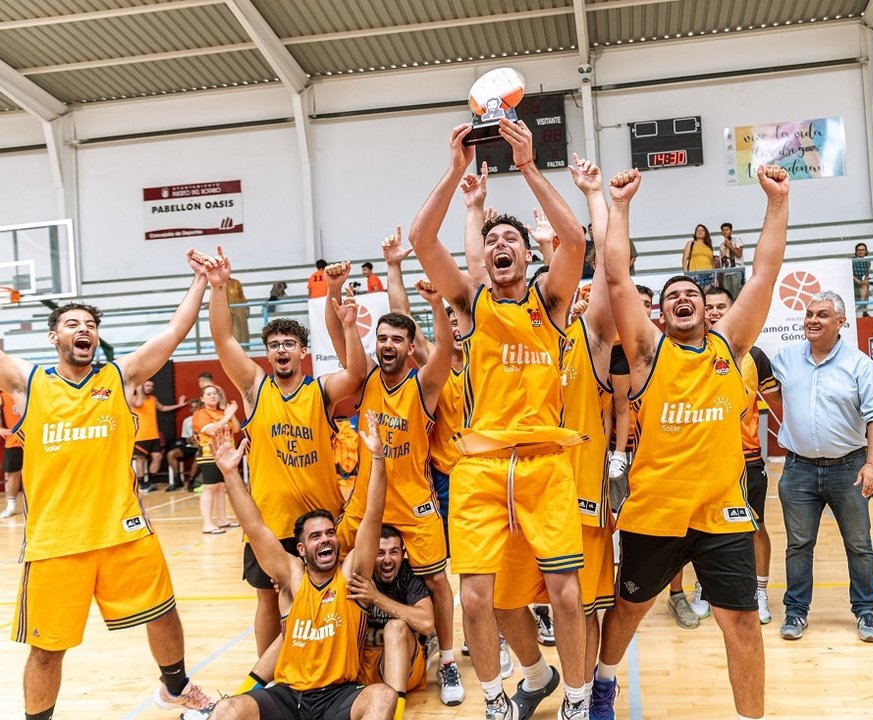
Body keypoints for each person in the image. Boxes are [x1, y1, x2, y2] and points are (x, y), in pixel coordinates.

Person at [593, 163, 789, 720]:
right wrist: (621, 205)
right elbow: (616, 277)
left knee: (742, 621)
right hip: (655, 511)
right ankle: (604, 685)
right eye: (672, 295)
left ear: (708, 310)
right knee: (630, 608)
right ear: (660, 314)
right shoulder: (650, 354)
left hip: (720, 512)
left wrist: (776, 203)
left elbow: (764, 273)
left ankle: (751, 716)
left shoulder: (732, 348)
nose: (682, 298)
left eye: (692, 295)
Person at [410, 120, 589, 720]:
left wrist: (531, 167)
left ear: (523, 253)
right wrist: (457, 167)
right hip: (481, 468)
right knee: (477, 598)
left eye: (511, 237)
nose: (501, 244)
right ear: (485, 257)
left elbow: (575, 241)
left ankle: (578, 702)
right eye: (493, 240)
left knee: (566, 594)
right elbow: (420, 237)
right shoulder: (469, 304)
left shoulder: (552, 302)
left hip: (545, 464)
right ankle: (497, 699)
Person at [3, 249, 219, 718]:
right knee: (46, 650)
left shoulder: (118, 378)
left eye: (90, 325)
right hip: (56, 539)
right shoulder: (28, 381)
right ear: (53, 335)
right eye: (73, 324)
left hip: (122, 527)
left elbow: (172, 334)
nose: (84, 330)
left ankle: (176, 688)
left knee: (163, 611)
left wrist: (202, 282)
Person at [487, 154, 618, 720]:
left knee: (580, 607)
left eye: (557, 288)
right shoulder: (510, 338)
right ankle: (537, 677)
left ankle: (582, 697)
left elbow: (609, 274)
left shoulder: (586, 340)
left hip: (577, 490)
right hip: (517, 485)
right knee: (499, 597)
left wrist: (594, 200)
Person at [207, 247, 368, 657]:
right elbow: (224, 338)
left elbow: (356, 374)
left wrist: (339, 304)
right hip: (268, 519)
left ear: (302, 352)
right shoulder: (254, 388)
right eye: (275, 344)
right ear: (267, 352)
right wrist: (218, 286)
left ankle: (335, 663)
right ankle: (269, 676)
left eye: (290, 343)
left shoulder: (320, 390)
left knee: (336, 595)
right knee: (266, 600)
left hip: (321, 518)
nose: (281, 350)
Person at [205, 415, 397, 720]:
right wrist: (229, 473)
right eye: (316, 536)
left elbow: (372, 517)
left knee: (382, 696)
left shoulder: (350, 577)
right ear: (301, 548)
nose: (326, 539)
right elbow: (255, 527)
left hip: (338, 695)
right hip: (287, 696)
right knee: (227, 708)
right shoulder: (293, 578)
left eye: (330, 533)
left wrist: (377, 457)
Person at [329, 266, 461, 707]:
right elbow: (338, 334)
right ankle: (335, 657)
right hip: (366, 503)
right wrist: (336, 301)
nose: (387, 344)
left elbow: (443, 348)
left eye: (396, 339)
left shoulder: (422, 385)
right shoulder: (364, 378)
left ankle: (447, 661)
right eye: (382, 337)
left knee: (439, 583)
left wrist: (437, 304)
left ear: (408, 348)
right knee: (335, 576)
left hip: (414, 504)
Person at [772, 291, 873, 643]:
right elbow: (772, 391)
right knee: (798, 545)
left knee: (858, 544)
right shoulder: (785, 359)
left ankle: (866, 611)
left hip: (848, 468)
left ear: (841, 322)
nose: (812, 320)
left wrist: (872, 464)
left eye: (822, 315)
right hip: (798, 470)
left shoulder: (859, 365)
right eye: (808, 313)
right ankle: (795, 612)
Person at [707, 287, 781, 625]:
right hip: (702, 459)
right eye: (708, 307)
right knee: (702, 529)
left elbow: (780, 399)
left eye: (720, 306)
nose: (712, 312)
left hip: (746, 457)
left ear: (733, 309)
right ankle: (706, 590)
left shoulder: (755, 355)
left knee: (755, 526)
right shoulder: (681, 352)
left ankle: (759, 591)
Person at [346, 525, 435, 710]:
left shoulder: (407, 576)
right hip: (360, 669)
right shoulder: (360, 574)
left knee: (396, 628)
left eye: (393, 552)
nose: (387, 560)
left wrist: (375, 597)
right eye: (380, 553)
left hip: (402, 668)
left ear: (402, 553)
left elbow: (426, 623)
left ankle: (396, 712)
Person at [192, 385, 240, 534]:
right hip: (209, 454)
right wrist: (227, 415)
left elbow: (236, 429)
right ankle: (207, 524)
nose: (213, 396)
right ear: (202, 398)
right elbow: (212, 430)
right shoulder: (200, 414)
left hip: (225, 455)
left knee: (220, 487)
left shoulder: (222, 412)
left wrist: (231, 414)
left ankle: (222, 520)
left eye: (215, 393)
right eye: (209, 394)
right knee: (210, 488)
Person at [131, 379, 187, 492]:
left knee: (157, 457)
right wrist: (138, 387)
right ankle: (141, 484)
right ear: (141, 386)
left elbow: (162, 408)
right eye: (147, 385)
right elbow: (139, 403)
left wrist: (179, 405)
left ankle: (149, 482)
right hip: (140, 436)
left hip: (154, 435)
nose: (150, 387)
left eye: (152, 386)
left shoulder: (153, 398)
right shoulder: (134, 398)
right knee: (140, 459)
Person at [166, 397, 203, 492]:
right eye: (192, 408)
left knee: (198, 455)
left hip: (201, 446)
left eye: (196, 407)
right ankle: (177, 479)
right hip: (190, 446)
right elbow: (184, 438)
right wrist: (189, 439)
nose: (194, 410)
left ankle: (191, 480)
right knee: (171, 454)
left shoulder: (204, 419)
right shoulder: (187, 421)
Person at [0, 389, 23, 518]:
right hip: (13, 440)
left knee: (35, 473)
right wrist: (1, 430)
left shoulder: (28, 392)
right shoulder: (3, 396)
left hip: (33, 440)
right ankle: (11, 505)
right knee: (13, 473)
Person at [682, 223, 717, 290]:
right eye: (698, 230)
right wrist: (686, 274)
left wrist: (715, 277)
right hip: (695, 274)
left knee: (707, 295)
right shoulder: (691, 243)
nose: (700, 232)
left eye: (702, 230)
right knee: (697, 293)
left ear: (705, 233)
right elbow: (684, 259)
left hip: (708, 274)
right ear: (695, 233)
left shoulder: (708, 246)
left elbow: (712, 263)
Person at [718, 222, 745, 296]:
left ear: (731, 231)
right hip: (727, 272)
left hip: (736, 271)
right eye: (723, 230)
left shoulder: (737, 240)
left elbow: (739, 254)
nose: (725, 231)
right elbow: (722, 262)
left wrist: (729, 245)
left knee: (737, 294)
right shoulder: (721, 246)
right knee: (729, 295)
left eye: (727, 229)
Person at [227, 275, 251, 344]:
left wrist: (247, 307)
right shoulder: (218, 284)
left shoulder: (236, 282)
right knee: (233, 331)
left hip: (239, 308)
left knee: (242, 330)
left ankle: (243, 350)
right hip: (226, 308)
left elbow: (242, 296)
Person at [852, 242, 872, 317]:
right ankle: (864, 310)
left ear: (866, 251)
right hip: (853, 281)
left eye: (863, 250)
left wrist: (864, 280)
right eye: (859, 250)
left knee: (866, 284)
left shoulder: (868, 261)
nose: (861, 251)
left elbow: (867, 274)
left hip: (862, 281)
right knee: (865, 285)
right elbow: (850, 274)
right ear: (856, 252)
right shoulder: (851, 261)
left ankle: (861, 306)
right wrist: (858, 281)